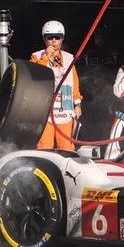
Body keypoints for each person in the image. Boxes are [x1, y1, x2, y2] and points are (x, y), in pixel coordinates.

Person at [30, 20, 82, 151]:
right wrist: (46, 57)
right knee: (44, 148)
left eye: (57, 37)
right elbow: (35, 76)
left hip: (65, 111)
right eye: (50, 37)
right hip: (44, 113)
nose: (53, 41)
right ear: (44, 39)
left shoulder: (70, 58)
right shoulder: (36, 56)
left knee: (67, 149)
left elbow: (74, 84)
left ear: (62, 39)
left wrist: (78, 105)